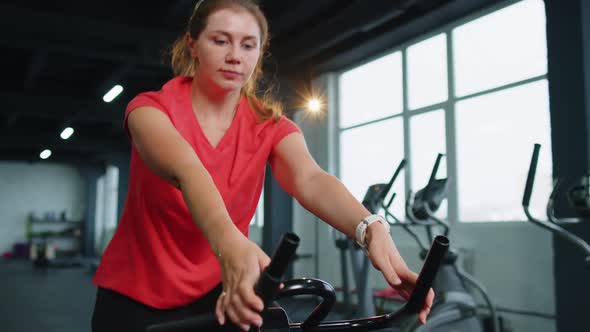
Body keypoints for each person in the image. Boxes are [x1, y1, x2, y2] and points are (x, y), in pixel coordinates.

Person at [91, 1, 434, 331]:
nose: (234, 56)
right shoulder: (150, 110)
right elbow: (189, 170)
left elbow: (310, 178)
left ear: (259, 52)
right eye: (220, 40)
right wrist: (232, 247)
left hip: (222, 291)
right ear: (193, 45)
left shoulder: (268, 125)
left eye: (248, 45)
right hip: (135, 295)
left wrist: (370, 226)